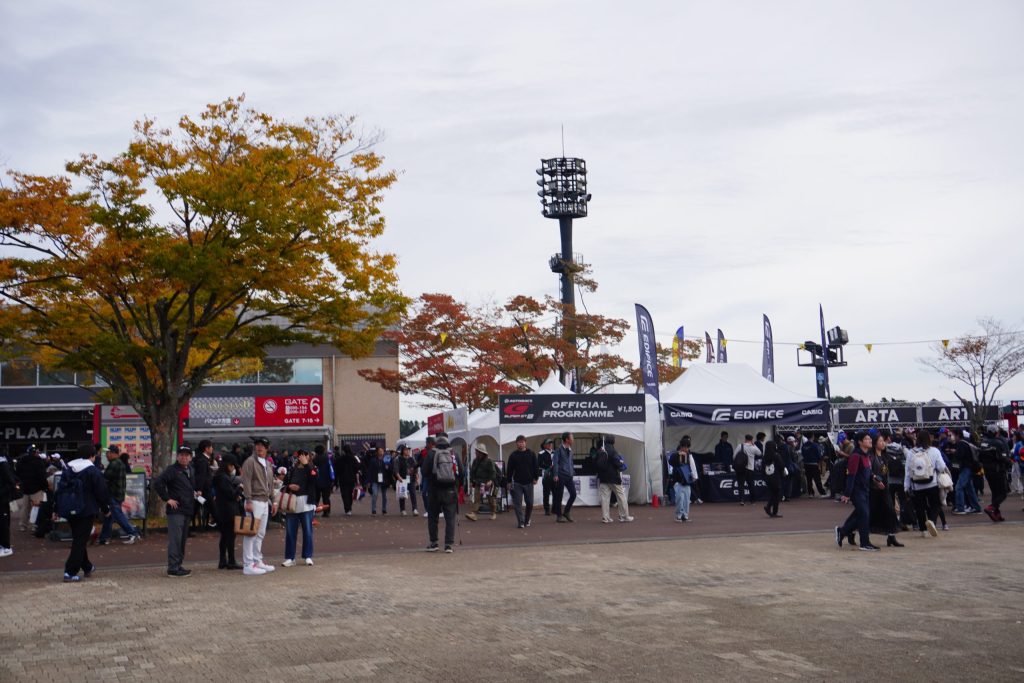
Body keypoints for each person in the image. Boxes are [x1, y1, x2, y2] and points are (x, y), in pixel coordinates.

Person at [57, 444, 111, 582]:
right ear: (91, 456)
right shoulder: (93, 471)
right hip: (86, 510)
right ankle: (70, 572)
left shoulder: (68, 468)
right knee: (80, 541)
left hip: (70, 508)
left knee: (79, 538)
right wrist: (106, 509)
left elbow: (60, 489)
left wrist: (56, 508)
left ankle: (87, 567)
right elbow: (101, 492)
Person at [153, 445, 198, 577]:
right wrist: (167, 499)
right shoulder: (172, 470)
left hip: (187, 509)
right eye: (181, 455)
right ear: (177, 457)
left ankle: (178, 564)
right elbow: (158, 483)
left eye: (186, 455)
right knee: (176, 539)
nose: (184, 457)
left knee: (182, 540)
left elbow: (189, 486)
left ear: (190, 457)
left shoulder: (190, 469)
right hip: (176, 511)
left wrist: (194, 492)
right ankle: (173, 568)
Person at [239, 436, 277, 576]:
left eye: (262, 445)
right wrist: (248, 500)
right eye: (257, 445)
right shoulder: (250, 462)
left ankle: (257, 560)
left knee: (260, 533)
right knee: (251, 533)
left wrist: (274, 501)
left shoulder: (268, 464)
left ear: (267, 448)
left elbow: (270, 484)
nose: (259, 447)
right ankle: (248, 564)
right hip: (254, 501)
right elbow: (246, 481)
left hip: (265, 501)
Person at [835, 432, 879, 551]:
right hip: (857, 491)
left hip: (865, 490)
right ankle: (864, 543)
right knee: (864, 515)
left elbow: (868, 472)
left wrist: (875, 479)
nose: (870, 440)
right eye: (867, 439)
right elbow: (851, 476)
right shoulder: (855, 456)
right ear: (860, 442)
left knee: (861, 514)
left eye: (870, 439)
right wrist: (847, 494)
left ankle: (842, 531)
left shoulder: (867, 455)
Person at [904, 431, 947, 539]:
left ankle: (923, 530)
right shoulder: (934, 451)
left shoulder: (911, 452)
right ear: (929, 439)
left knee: (919, 508)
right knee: (935, 504)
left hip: (916, 484)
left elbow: (908, 470)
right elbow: (941, 466)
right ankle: (932, 521)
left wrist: (906, 486)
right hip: (932, 483)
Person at [97, 445, 141, 545]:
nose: (106, 455)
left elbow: (105, 478)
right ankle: (104, 537)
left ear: (113, 453)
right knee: (110, 515)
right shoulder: (119, 463)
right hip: (118, 494)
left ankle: (133, 533)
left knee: (117, 515)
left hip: (113, 494)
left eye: (108, 453)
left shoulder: (114, 464)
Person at [423, 433, 459, 553]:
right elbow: (462, 471)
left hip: (434, 490)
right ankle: (448, 545)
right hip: (450, 490)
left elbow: (424, 471)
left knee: (433, 517)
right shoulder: (453, 454)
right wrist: (456, 485)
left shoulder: (431, 453)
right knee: (450, 518)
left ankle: (434, 543)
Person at [282, 449, 317, 566]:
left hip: (306, 504)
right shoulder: (292, 469)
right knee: (290, 532)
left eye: (305, 455)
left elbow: (314, 480)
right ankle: (290, 557)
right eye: (300, 455)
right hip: (292, 503)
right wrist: (289, 486)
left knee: (307, 531)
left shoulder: (312, 468)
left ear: (308, 457)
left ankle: (308, 556)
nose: (302, 457)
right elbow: (285, 483)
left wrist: (307, 465)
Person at [869, 433, 903, 548]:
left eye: (883, 441)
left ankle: (891, 537)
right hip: (873, 490)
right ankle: (851, 531)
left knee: (890, 511)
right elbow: (869, 472)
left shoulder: (885, 456)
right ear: (875, 443)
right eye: (880, 441)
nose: (883, 443)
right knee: (869, 514)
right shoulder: (871, 457)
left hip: (884, 489)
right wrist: (875, 480)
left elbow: (885, 472)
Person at [212, 453, 243, 569]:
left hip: (222, 509)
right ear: (228, 465)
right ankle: (231, 561)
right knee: (230, 536)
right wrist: (240, 488)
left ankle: (222, 560)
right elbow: (231, 495)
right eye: (232, 465)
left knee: (224, 536)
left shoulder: (219, 476)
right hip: (229, 510)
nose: (233, 468)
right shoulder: (224, 477)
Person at [596, 435, 633, 523]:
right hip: (613, 478)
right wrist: (622, 464)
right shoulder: (613, 451)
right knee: (621, 496)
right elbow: (618, 464)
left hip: (603, 477)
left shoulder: (601, 450)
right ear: (613, 441)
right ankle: (624, 516)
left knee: (605, 498)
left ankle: (606, 517)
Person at [506, 435, 539, 528]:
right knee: (517, 504)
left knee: (530, 503)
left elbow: (536, 467)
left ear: (525, 443)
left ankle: (527, 520)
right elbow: (509, 469)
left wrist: (536, 478)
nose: (521, 444)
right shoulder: (513, 455)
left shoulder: (531, 454)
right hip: (517, 483)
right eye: (519, 442)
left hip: (529, 482)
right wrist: (509, 481)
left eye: (522, 442)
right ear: (516, 443)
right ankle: (520, 522)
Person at [14, 447, 48, 533]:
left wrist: (21, 484)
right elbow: (42, 476)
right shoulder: (38, 461)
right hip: (36, 488)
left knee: (24, 508)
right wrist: (45, 486)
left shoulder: (21, 461)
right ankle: (33, 526)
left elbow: (17, 474)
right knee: (35, 507)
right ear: (35, 453)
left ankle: (22, 525)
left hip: (25, 487)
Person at [979, 427, 1010, 522]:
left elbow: (980, 457)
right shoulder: (999, 443)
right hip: (998, 471)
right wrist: (1010, 463)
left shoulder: (983, 443)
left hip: (987, 471)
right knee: (1003, 493)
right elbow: (1003, 458)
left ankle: (996, 513)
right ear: (996, 433)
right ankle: (991, 508)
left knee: (995, 493)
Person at [951, 430, 983, 514]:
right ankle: (976, 507)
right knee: (970, 488)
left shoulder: (961, 444)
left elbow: (960, 455)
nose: (952, 437)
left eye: (953, 435)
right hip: (970, 467)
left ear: (958, 435)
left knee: (959, 487)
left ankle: (960, 508)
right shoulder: (966, 443)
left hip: (965, 468)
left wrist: (955, 452)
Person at [465, 443, 498, 521]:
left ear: (482, 452)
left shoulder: (489, 461)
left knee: (491, 499)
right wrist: (471, 481)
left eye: (477, 451)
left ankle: (493, 513)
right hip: (479, 483)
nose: (476, 452)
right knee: (477, 499)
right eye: (476, 451)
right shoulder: (475, 461)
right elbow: (472, 472)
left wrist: (490, 481)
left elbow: (493, 472)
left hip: (488, 483)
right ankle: (474, 514)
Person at [668, 437, 697, 522]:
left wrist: (693, 476)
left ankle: (685, 515)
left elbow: (691, 467)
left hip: (687, 481)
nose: (686, 449)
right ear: (681, 446)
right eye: (685, 447)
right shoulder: (675, 455)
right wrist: (678, 455)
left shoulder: (688, 455)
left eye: (687, 447)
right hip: (678, 481)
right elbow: (671, 462)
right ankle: (679, 515)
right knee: (679, 499)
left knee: (687, 500)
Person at [552, 432, 576, 523]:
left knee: (573, 494)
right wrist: (555, 475)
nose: (573, 439)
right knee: (559, 496)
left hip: (569, 476)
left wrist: (572, 472)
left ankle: (566, 512)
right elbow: (555, 463)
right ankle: (559, 516)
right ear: (567, 439)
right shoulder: (558, 449)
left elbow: (571, 462)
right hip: (560, 476)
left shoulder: (570, 450)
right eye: (572, 438)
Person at [191, 440, 215, 531]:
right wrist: (199, 489)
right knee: (212, 508)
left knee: (195, 509)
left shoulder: (201, 459)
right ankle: (221, 526)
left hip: (203, 490)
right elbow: (201, 476)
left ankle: (185, 528)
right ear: (206, 449)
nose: (212, 449)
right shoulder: (202, 460)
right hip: (204, 490)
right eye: (211, 447)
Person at [0, 449, 19, 557]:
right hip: (2, 497)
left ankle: (6, 547)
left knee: (3, 522)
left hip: (2, 499)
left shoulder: (3, 463)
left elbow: (11, 481)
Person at [366, 445, 394, 515]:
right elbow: (370, 471)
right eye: (380, 451)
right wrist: (368, 481)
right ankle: (373, 509)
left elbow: (391, 470)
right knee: (375, 494)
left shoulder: (386, 460)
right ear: (377, 452)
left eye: (382, 451)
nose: (381, 452)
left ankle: (384, 509)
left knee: (384, 495)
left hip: (384, 479)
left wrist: (388, 467)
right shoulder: (373, 460)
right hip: (375, 479)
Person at [732, 435, 759, 505]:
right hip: (750, 468)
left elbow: (734, 456)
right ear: (752, 440)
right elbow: (760, 453)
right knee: (751, 485)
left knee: (741, 485)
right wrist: (754, 445)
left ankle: (742, 500)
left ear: (745, 439)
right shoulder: (753, 447)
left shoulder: (740, 446)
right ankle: (753, 501)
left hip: (741, 468)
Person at [335, 443, 360, 515]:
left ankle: (347, 508)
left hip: (342, 478)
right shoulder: (353, 458)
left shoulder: (340, 459)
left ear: (343, 451)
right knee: (350, 493)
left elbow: (336, 468)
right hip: (351, 478)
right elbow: (357, 468)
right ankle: (349, 507)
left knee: (344, 494)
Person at [395, 444, 419, 516]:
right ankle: (402, 509)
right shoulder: (398, 459)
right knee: (402, 494)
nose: (407, 451)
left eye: (408, 450)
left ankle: (415, 509)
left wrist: (417, 478)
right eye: (406, 450)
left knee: (413, 494)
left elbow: (415, 469)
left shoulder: (412, 459)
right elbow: (396, 469)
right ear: (402, 451)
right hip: (402, 479)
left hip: (411, 479)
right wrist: (399, 477)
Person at [762, 440, 784, 518]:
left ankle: (769, 507)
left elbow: (762, 468)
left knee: (773, 493)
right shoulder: (776, 455)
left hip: (768, 477)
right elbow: (781, 466)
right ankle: (773, 511)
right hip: (776, 477)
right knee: (776, 495)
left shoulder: (765, 457)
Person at [313, 445, 333, 518]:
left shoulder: (314, 460)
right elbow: (331, 469)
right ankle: (326, 512)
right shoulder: (327, 459)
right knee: (326, 498)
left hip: (316, 481)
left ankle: (314, 511)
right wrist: (332, 480)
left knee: (316, 497)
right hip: (326, 481)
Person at [537, 437, 555, 515]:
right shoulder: (541, 453)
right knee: (546, 493)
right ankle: (547, 509)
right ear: (544, 445)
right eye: (548, 444)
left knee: (556, 492)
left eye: (551, 443)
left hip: (555, 475)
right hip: (546, 475)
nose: (550, 445)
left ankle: (554, 508)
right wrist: (549, 467)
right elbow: (539, 464)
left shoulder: (555, 452)